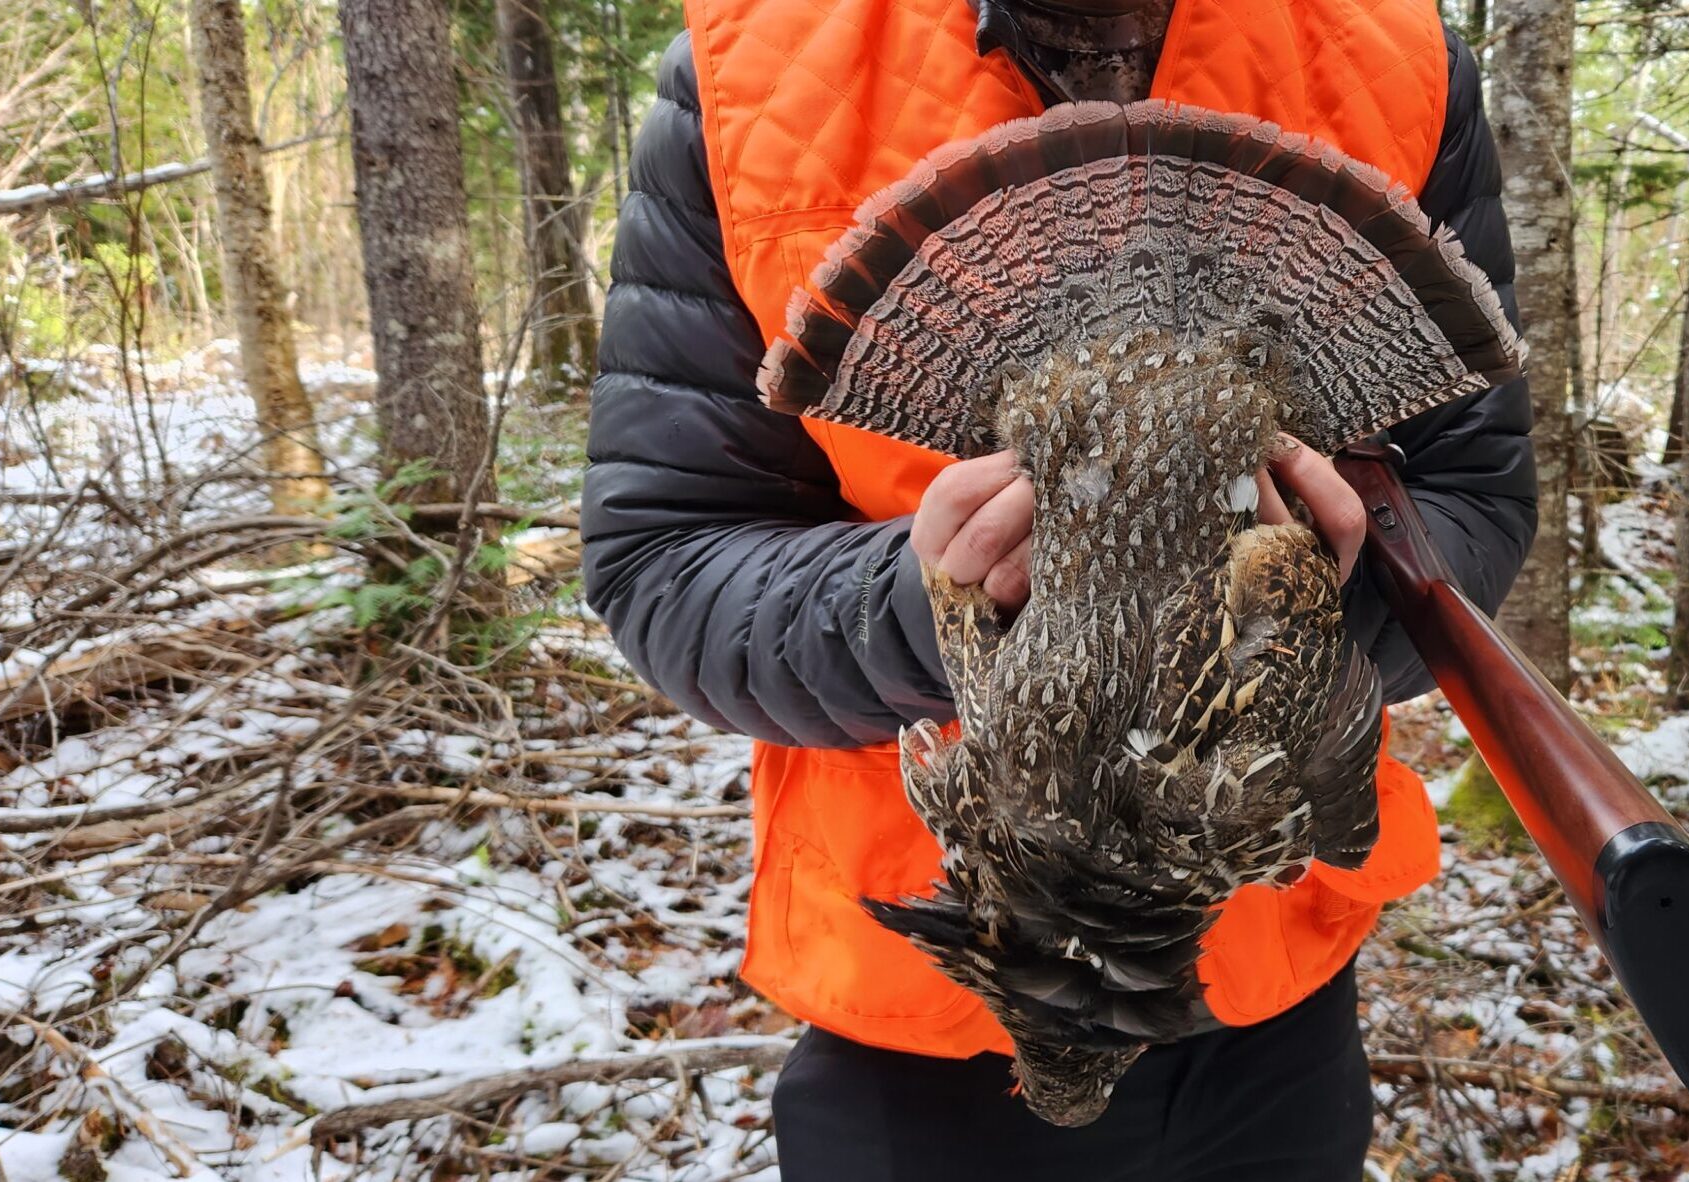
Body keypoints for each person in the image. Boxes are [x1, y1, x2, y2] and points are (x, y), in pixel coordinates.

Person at [581, 1, 1537, 1177]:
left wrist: (1313, 610)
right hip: (927, 1044)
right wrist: (929, 600)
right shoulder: (747, 67)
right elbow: (664, 564)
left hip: (1277, 1009)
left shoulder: (1398, 56)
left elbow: (1475, 504)